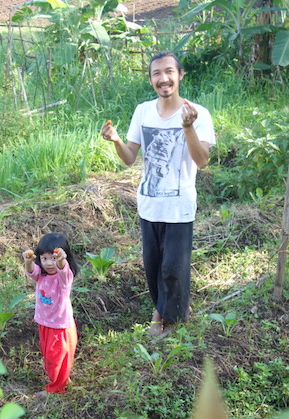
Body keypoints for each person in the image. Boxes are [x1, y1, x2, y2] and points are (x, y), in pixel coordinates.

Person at [100, 51, 215, 338]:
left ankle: (169, 319)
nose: (163, 78)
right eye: (156, 73)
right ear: (151, 79)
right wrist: (116, 140)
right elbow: (129, 158)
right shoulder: (143, 111)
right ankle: (166, 310)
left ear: (180, 75)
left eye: (168, 72)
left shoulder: (196, 113)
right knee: (153, 268)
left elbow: (202, 161)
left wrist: (187, 127)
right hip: (149, 204)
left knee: (173, 267)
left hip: (179, 205)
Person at [22, 232, 79, 395]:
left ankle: (56, 388)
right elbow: (32, 272)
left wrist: (60, 259)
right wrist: (28, 261)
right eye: (44, 258)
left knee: (56, 359)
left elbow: (63, 270)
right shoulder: (42, 276)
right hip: (45, 323)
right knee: (49, 357)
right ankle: (62, 379)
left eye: (53, 258)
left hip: (59, 326)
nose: (48, 263)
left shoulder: (63, 279)